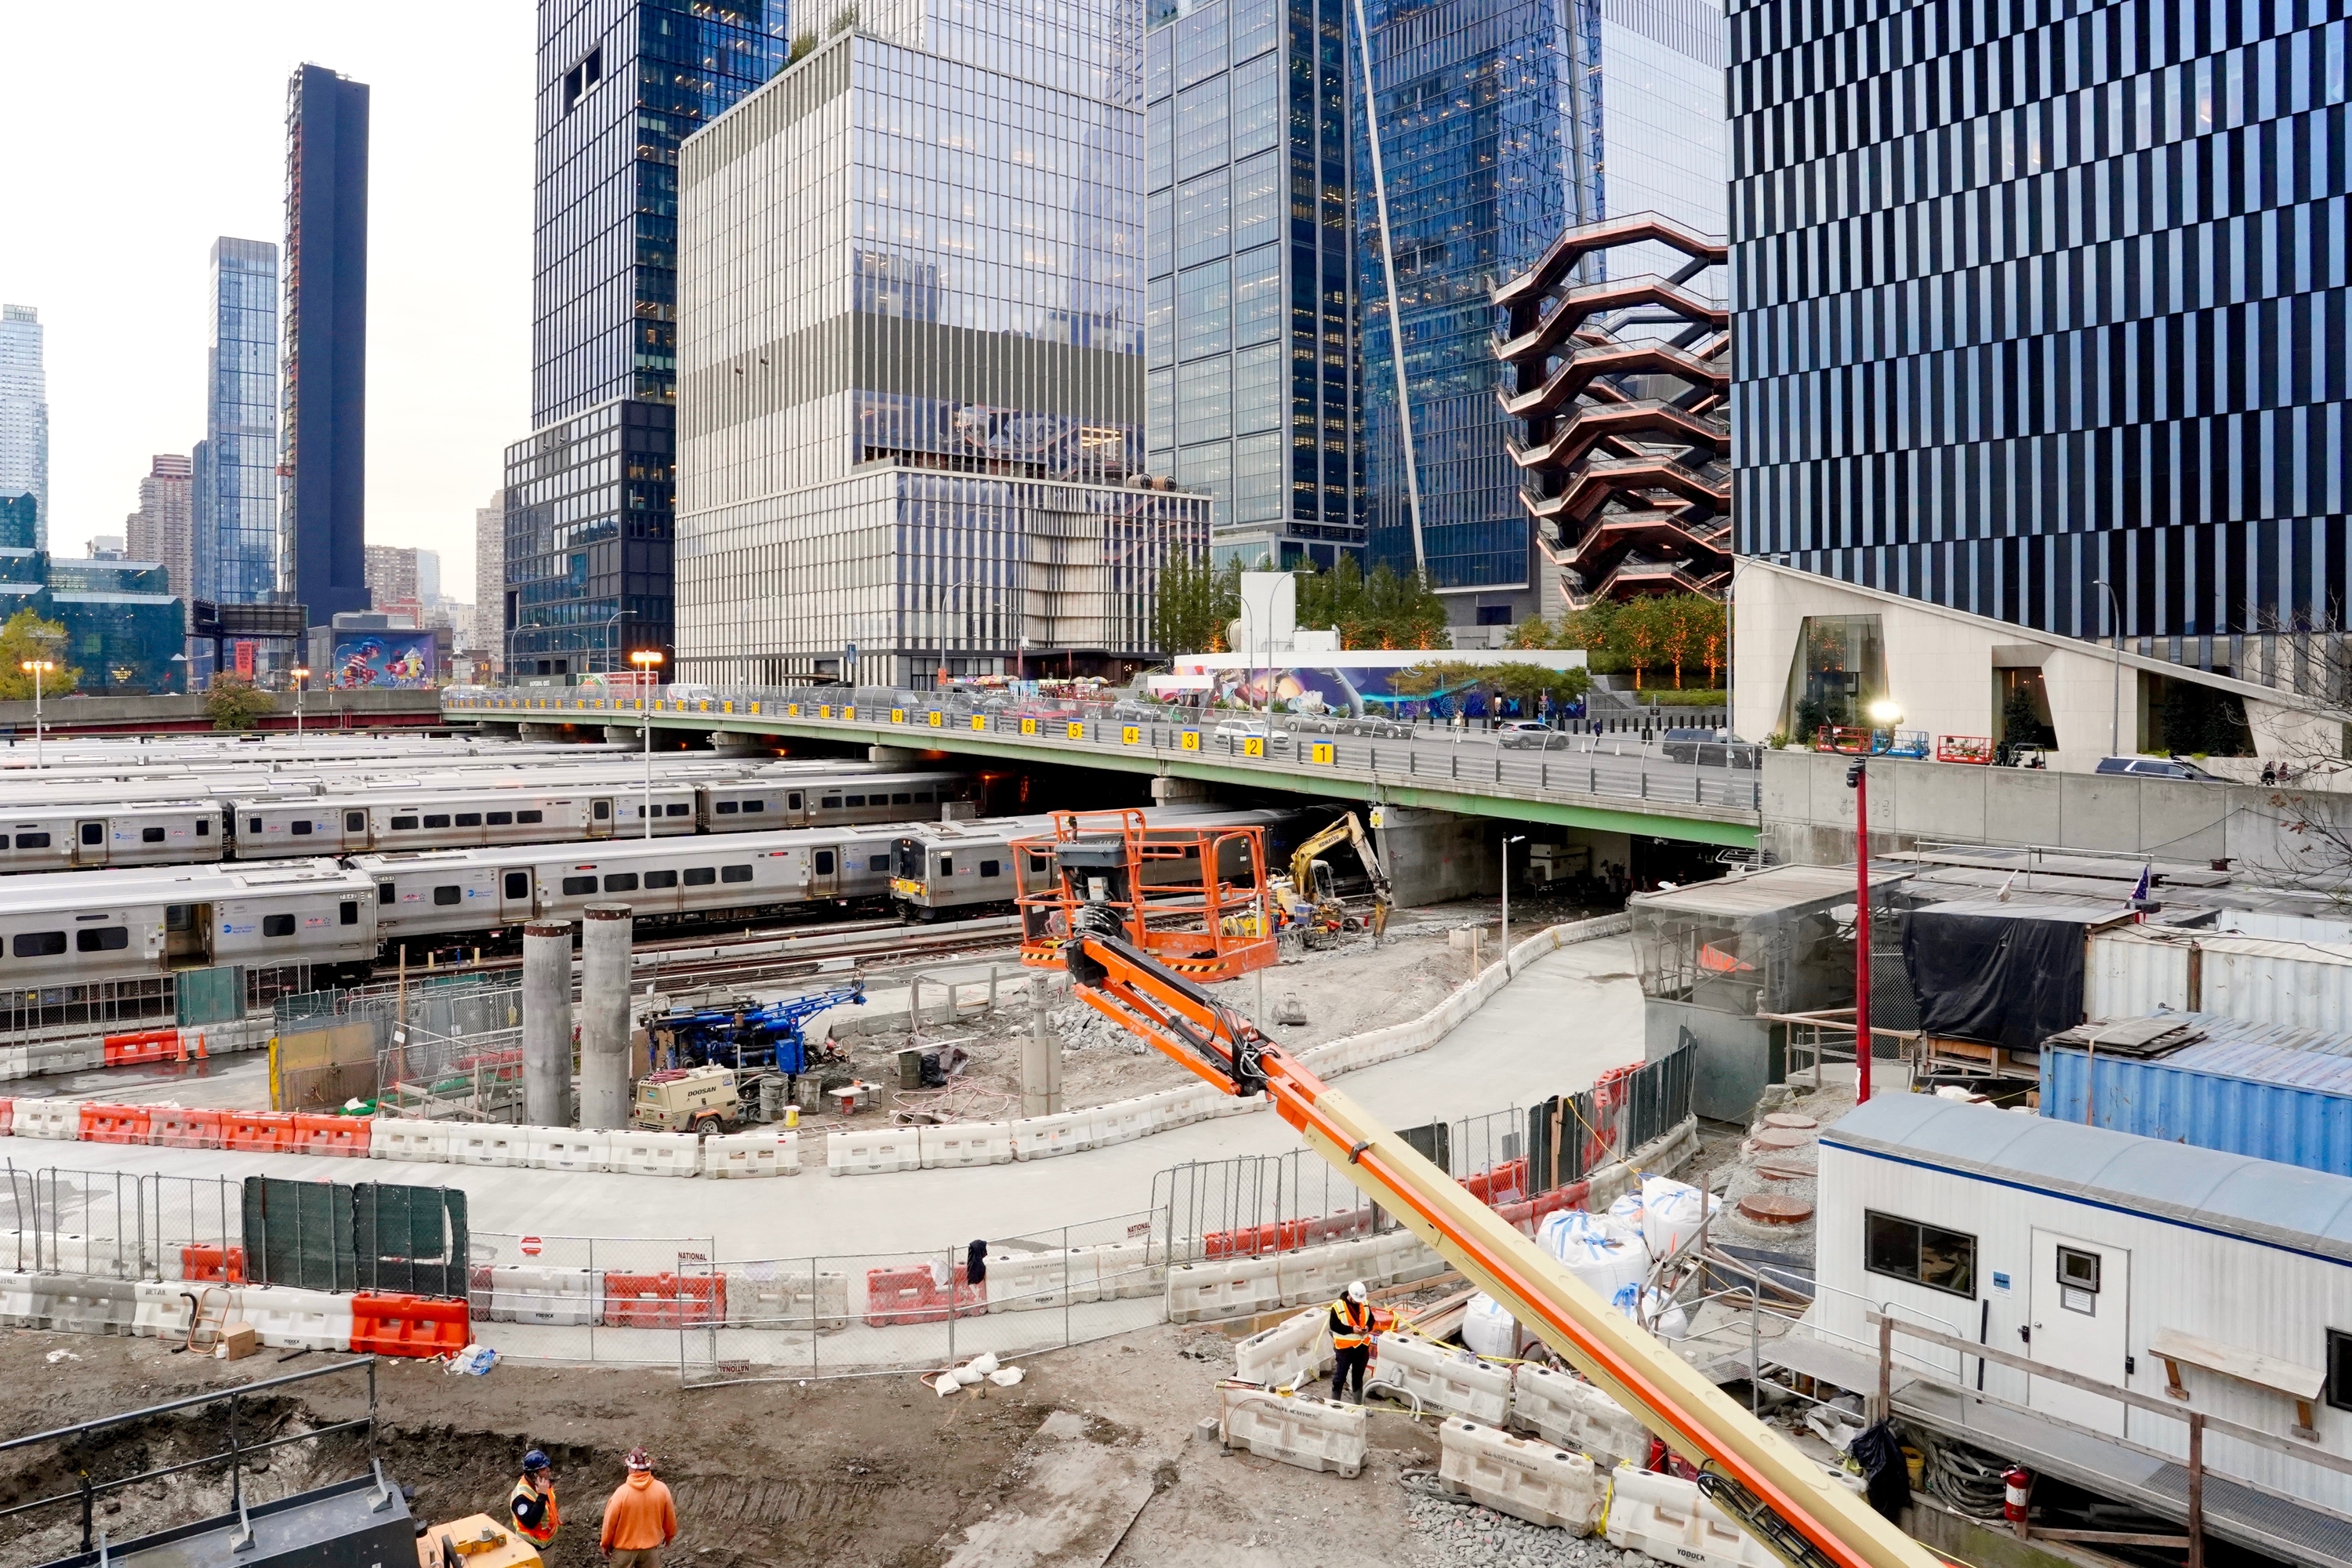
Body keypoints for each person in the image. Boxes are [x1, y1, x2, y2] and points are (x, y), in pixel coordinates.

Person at [600, 1448, 677, 1567]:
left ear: (633, 1468)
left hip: (624, 1551)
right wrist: (669, 1536)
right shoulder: (662, 1489)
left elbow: (609, 1523)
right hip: (650, 1552)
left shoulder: (621, 1493)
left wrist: (605, 1545)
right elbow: (670, 1517)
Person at [1327, 1280, 1374, 1403]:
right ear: (1350, 1294)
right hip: (1345, 1349)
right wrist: (1352, 1330)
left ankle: (1359, 1405)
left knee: (1358, 1378)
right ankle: (1334, 1405)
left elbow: (1371, 1320)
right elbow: (1334, 1326)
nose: (1358, 1302)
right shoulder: (1338, 1307)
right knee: (1340, 1378)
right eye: (1356, 1300)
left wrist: (1368, 1328)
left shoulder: (1364, 1304)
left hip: (1362, 1347)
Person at [509, 1450, 559, 1548]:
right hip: (532, 1547)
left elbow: (549, 1503)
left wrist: (555, 1518)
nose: (548, 1470)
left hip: (547, 1542)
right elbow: (530, 1522)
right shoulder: (520, 1497)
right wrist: (542, 1495)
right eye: (543, 1469)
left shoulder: (542, 1483)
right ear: (534, 1475)